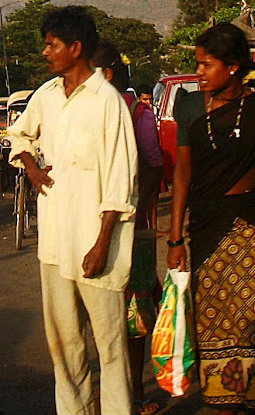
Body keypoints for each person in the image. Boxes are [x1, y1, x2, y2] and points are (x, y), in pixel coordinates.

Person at [8, 6, 138, 415]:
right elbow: (19, 134)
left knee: (110, 346)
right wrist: (30, 167)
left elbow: (121, 180)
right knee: (64, 345)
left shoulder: (107, 102)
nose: (45, 52)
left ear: (76, 48)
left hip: (99, 246)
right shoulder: (46, 95)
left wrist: (102, 244)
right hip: (54, 243)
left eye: (52, 45)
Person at [166, 22, 255, 415]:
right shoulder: (189, 107)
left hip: (252, 230)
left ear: (234, 66)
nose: (200, 73)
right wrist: (175, 240)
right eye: (198, 65)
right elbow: (183, 174)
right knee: (216, 331)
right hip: (205, 231)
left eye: (207, 65)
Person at [93, 41, 164, 415]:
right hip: (101, 225)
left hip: (131, 229)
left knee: (133, 313)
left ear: (106, 74)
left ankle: (134, 392)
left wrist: (130, 209)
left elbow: (153, 167)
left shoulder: (137, 113)